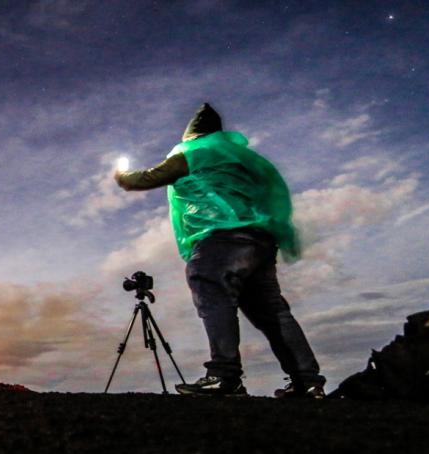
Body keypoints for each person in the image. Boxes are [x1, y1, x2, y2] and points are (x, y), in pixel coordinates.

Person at [113, 103, 325, 398]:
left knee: (210, 288)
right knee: (272, 312)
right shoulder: (243, 158)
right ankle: (308, 382)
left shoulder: (193, 153)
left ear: (192, 135)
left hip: (221, 236)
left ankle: (224, 376)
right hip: (260, 239)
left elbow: (147, 177)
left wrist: (122, 177)